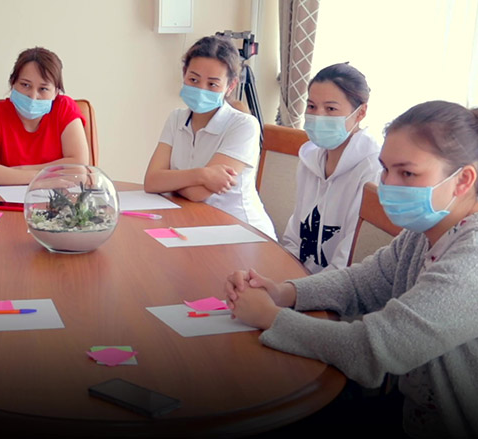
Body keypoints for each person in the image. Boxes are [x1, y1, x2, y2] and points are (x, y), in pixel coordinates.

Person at [225, 100, 478, 438]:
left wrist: (271, 317)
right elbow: (363, 282)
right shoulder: (425, 231)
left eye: (407, 173)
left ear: (462, 180)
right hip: (409, 408)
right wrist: (284, 292)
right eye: (385, 169)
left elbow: (373, 349)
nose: (388, 184)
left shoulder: (470, 261)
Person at [143, 35, 276, 239]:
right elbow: (152, 181)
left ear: (230, 86)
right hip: (193, 223)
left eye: (212, 84)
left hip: (241, 231)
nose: (200, 89)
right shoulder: (176, 118)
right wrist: (203, 175)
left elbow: (198, 194)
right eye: (193, 79)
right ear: (184, 74)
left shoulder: (244, 125)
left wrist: (171, 182)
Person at [280, 63, 381, 273]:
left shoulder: (372, 170)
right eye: (311, 106)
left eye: (331, 109)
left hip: (333, 291)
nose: (318, 116)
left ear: (361, 112)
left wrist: (295, 293)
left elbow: (349, 260)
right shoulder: (310, 158)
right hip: (297, 280)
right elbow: (294, 236)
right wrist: (279, 278)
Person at [0, 47, 90, 185]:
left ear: (56, 92)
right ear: (12, 83)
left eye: (43, 89)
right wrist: (40, 178)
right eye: (25, 85)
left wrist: (20, 170)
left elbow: (79, 169)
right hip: (3, 204)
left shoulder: (65, 108)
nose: (33, 96)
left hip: (58, 203)